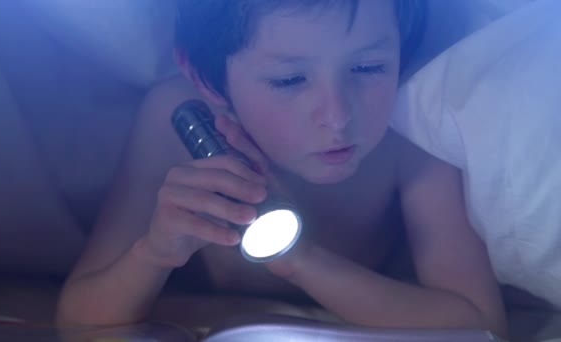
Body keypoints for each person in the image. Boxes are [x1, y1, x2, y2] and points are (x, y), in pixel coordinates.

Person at [57, 0, 506, 337]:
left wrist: (300, 260)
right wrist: (156, 252)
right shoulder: (176, 118)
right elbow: (78, 319)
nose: (337, 115)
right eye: (289, 80)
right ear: (206, 79)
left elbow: (480, 325)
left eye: (369, 67)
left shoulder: (412, 129)